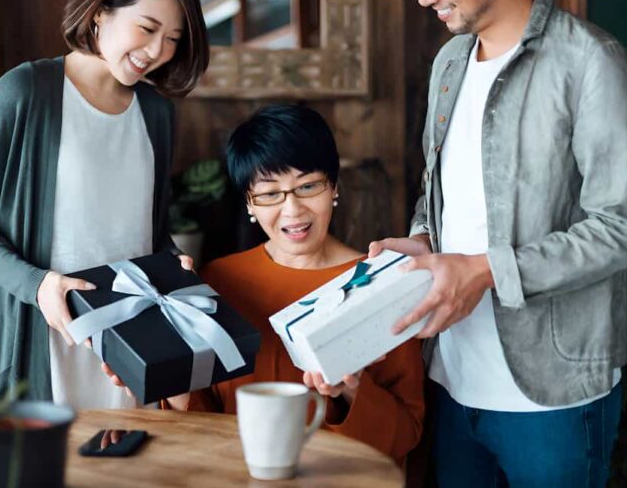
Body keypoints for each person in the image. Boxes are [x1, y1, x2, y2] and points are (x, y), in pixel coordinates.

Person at [369, 0, 627, 488]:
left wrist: (486, 270)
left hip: (553, 392)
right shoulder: (449, 63)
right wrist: (423, 240)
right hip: (453, 375)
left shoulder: (593, 64)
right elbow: (437, 190)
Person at [0, 0, 209, 409]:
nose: (156, 51)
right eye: (146, 28)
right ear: (100, 12)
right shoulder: (23, 93)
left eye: (172, 39)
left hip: (129, 355)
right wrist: (38, 284)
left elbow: (146, 233)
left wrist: (174, 262)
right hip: (41, 347)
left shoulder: (156, 114)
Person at [107, 104, 425, 463]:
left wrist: (352, 390)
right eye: (270, 194)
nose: (292, 210)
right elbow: (204, 417)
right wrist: (167, 378)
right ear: (249, 203)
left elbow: (407, 433)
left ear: (333, 186)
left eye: (308, 186)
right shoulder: (218, 281)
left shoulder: (381, 283)